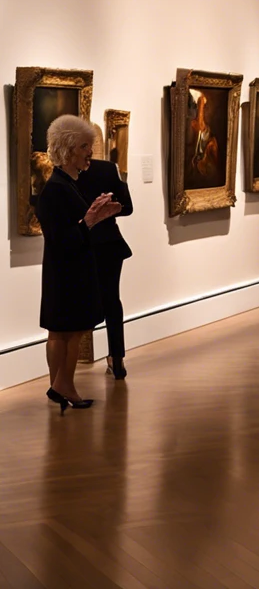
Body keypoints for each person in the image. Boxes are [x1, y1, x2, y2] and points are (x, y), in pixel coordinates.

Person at [38, 115, 123, 412]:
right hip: (66, 269)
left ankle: (61, 387)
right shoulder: (56, 188)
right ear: (69, 148)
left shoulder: (66, 184)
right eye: (85, 146)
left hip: (64, 268)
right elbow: (61, 237)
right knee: (69, 331)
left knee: (62, 331)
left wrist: (95, 215)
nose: (90, 152)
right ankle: (64, 386)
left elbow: (72, 229)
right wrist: (89, 220)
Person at [76, 147, 134, 380]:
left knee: (80, 303)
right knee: (111, 300)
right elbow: (127, 207)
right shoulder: (108, 168)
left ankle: (68, 369)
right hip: (108, 244)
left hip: (83, 244)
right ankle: (117, 358)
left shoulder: (63, 173)